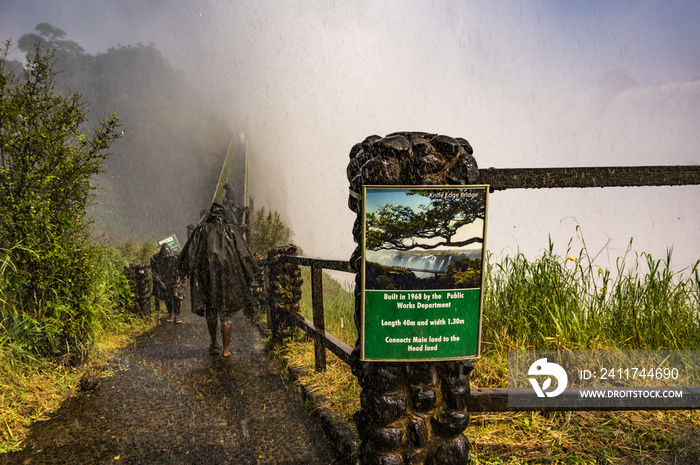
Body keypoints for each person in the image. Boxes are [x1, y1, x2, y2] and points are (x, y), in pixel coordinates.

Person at [179, 203, 258, 357]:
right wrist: (250, 273)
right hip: (228, 279)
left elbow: (189, 254)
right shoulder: (233, 230)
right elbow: (244, 255)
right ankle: (227, 350)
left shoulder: (200, 230)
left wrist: (183, 275)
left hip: (207, 278)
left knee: (211, 311)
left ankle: (214, 343)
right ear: (225, 215)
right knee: (226, 314)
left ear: (210, 216)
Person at [150, 243, 183, 323]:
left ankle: (177, 314)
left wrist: (181, 279)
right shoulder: (155, 258)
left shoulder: (177, 256)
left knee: (176, 296)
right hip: (164, 279)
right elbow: (154, 272)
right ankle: (171, 314)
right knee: (167, 296)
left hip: (175, 278)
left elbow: (181, 268)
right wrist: (160, 282)